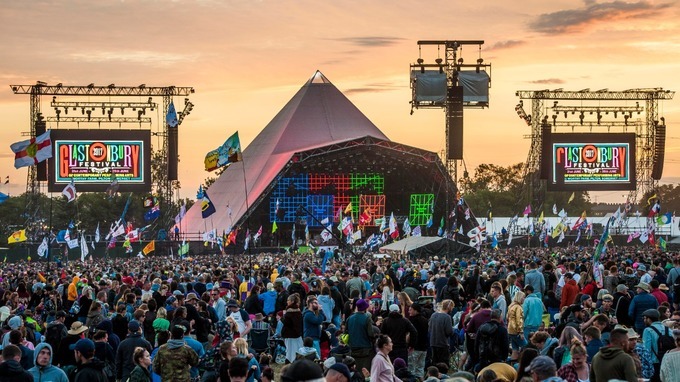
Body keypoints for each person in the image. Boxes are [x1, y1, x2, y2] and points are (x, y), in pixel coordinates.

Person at [347, 298, 375, 372]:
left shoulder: (349, 318)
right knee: (365, 370)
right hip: (365, 349)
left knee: (355, 369)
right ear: (365, 308)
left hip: (353, 348)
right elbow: (370, 334)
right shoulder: (367, 318)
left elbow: (345, 333)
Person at [430, 299, 455, 368]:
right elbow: (449, 331)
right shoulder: (447, 317)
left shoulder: (433, 315)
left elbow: (430, 328)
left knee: (434, 362)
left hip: (433, 342)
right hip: (443, 343)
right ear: (449, 307)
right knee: (443, 364)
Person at [281, 293, 304, 364]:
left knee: (290, 351)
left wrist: (282, 318)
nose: (287, 302)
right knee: (297, 350)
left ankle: (290, 363)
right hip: (297, 334)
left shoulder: (289, 311)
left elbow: (287, 322)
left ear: (292, 301)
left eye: (288, 300)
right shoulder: (298, 311)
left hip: (290, 334)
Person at [508, 291, 527, 362]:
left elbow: (508, 317)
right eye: (523, 297)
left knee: (514, 349)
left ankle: (512, 362)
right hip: (516, 331)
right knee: (526, 347)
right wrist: (521, 332)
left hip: (510, 330)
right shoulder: (518, 307)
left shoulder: (511, 306)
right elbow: (519, 320)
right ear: (520, 298)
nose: (524, 299)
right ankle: (524, 362)